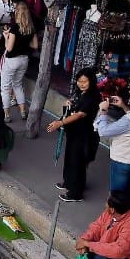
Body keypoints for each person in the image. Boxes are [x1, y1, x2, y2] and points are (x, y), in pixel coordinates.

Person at [47, 67, 100, 202]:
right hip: (75, 132)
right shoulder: (81, 93)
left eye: (85, 81)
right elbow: (75, 110)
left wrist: (60, 123)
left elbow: (80, 114)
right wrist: (68, 104)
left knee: (77, 162)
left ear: (91, 81)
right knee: (70, 158)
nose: (81, 84)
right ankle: (69, 182)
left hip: (84, 135)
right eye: (79, 81)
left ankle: (76, 193)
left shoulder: (92, 97)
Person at [0, 1, 37, 122]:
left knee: (5, 88)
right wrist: (24, 44)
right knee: (18, 85)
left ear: (17, 12)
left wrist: (6, 37)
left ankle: (6, 115)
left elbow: (9, 48)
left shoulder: (15, 28)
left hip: (12, 60)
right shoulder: (31, 28)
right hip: (24, 60)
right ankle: (23, 112)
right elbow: (35, 46)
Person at [95, 90, 130, 192]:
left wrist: (103, 111)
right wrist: (124, 106)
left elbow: (104, 131)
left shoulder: (128, 121)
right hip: (129, 159)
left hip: (123, 160)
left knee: (117, 194)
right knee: (127, 192)